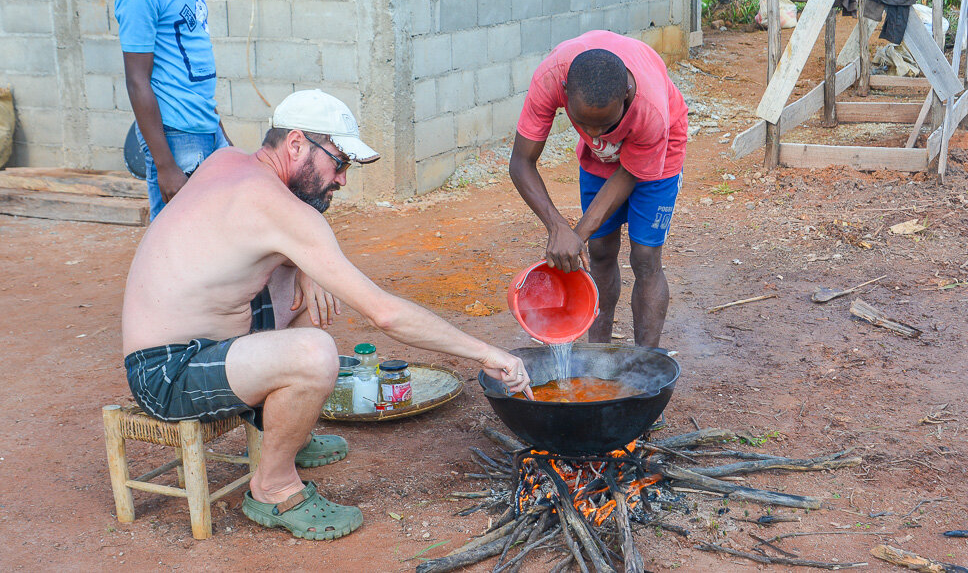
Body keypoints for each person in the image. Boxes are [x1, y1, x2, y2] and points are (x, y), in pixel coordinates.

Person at [121, 89, 533, 540]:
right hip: (166, 372)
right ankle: (273, 488)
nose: (342, 178)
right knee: (315, 352)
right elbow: (385, 314)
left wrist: (299, 267)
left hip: (203, 345)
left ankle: (288, 437)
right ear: (295, 144)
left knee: (306, 293)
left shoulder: (230, 162)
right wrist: (487, 353)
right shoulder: (277, 207)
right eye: (338, 162)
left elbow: (255, 235)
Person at [509, 31, 688, 349]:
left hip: (659, 148)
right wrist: (557, 227)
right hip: (600, 162)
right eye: (582, 123)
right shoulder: (551, 78)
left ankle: (643, 365)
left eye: (605, 125)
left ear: (627, 95)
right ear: (565, 93)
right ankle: (596, 354)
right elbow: (521, 162)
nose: (593, 133)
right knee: (601, 250)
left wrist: (574, 234)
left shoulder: (651, 111)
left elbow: (629, 174)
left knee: (645, 257)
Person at [115, 0, 231, 220]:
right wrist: (166, 166)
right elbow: (137, 81)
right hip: (176, 137)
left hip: (205, 125)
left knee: (218, 229)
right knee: (178, 236)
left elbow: (189, 67)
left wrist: (218, 129)